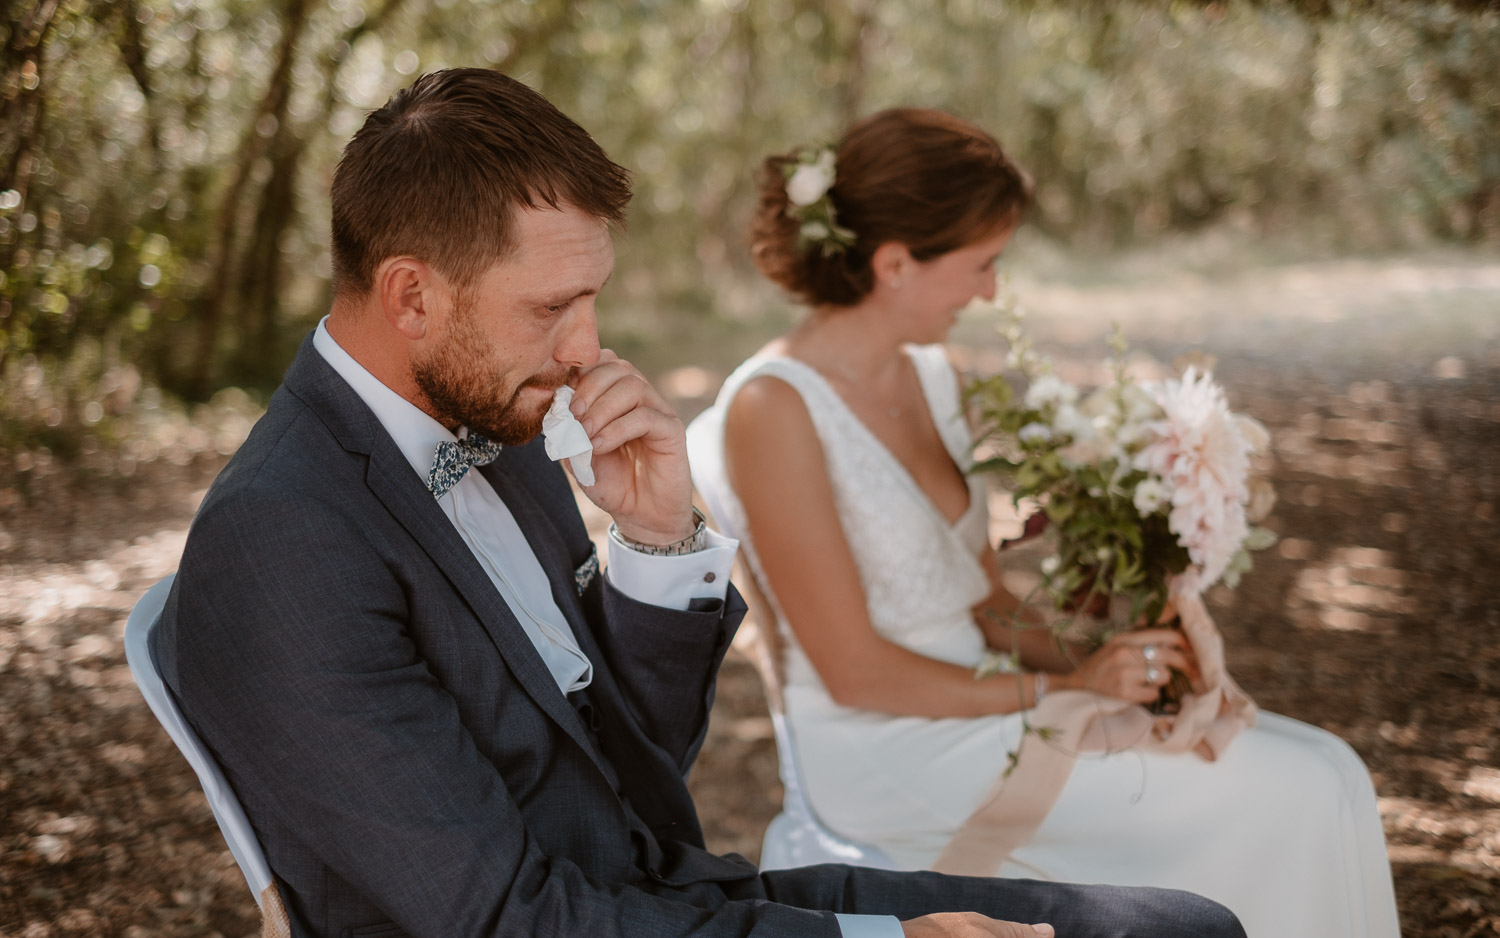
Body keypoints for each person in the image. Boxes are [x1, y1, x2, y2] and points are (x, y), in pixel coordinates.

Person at [151, 70, 1245, 938]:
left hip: (677, 899)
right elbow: (504, 916)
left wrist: (658, 540)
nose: (587, 348)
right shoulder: (281, 537)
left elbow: (640, 771)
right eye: (552, 306)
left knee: (1186, 924)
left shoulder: (499, 417)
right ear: (411, 295)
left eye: (593, 299)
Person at [691, 108, 1401, 938]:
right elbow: (857, 675)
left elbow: (986, 603)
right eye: (981, 264)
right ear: (894, 264)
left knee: (1332, 768)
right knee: (1294, 791)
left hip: (993, 702)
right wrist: (1061, 688)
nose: (993, 290)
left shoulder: (933, 373)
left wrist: (1095, 649)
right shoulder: (772, 409)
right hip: (891, 746)